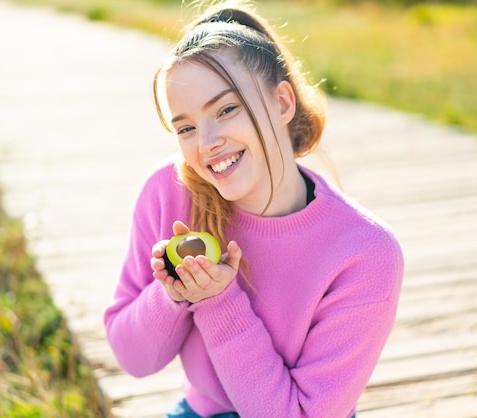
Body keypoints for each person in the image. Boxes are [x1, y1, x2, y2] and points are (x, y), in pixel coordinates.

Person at [103, 1, 404, 417]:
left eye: (226, 109)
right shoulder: (169, 193)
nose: (206, 143)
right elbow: (132, 357)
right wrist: (173, 291)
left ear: (282, 102)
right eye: (186, 127)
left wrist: (217, 300)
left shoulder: (365, 253)